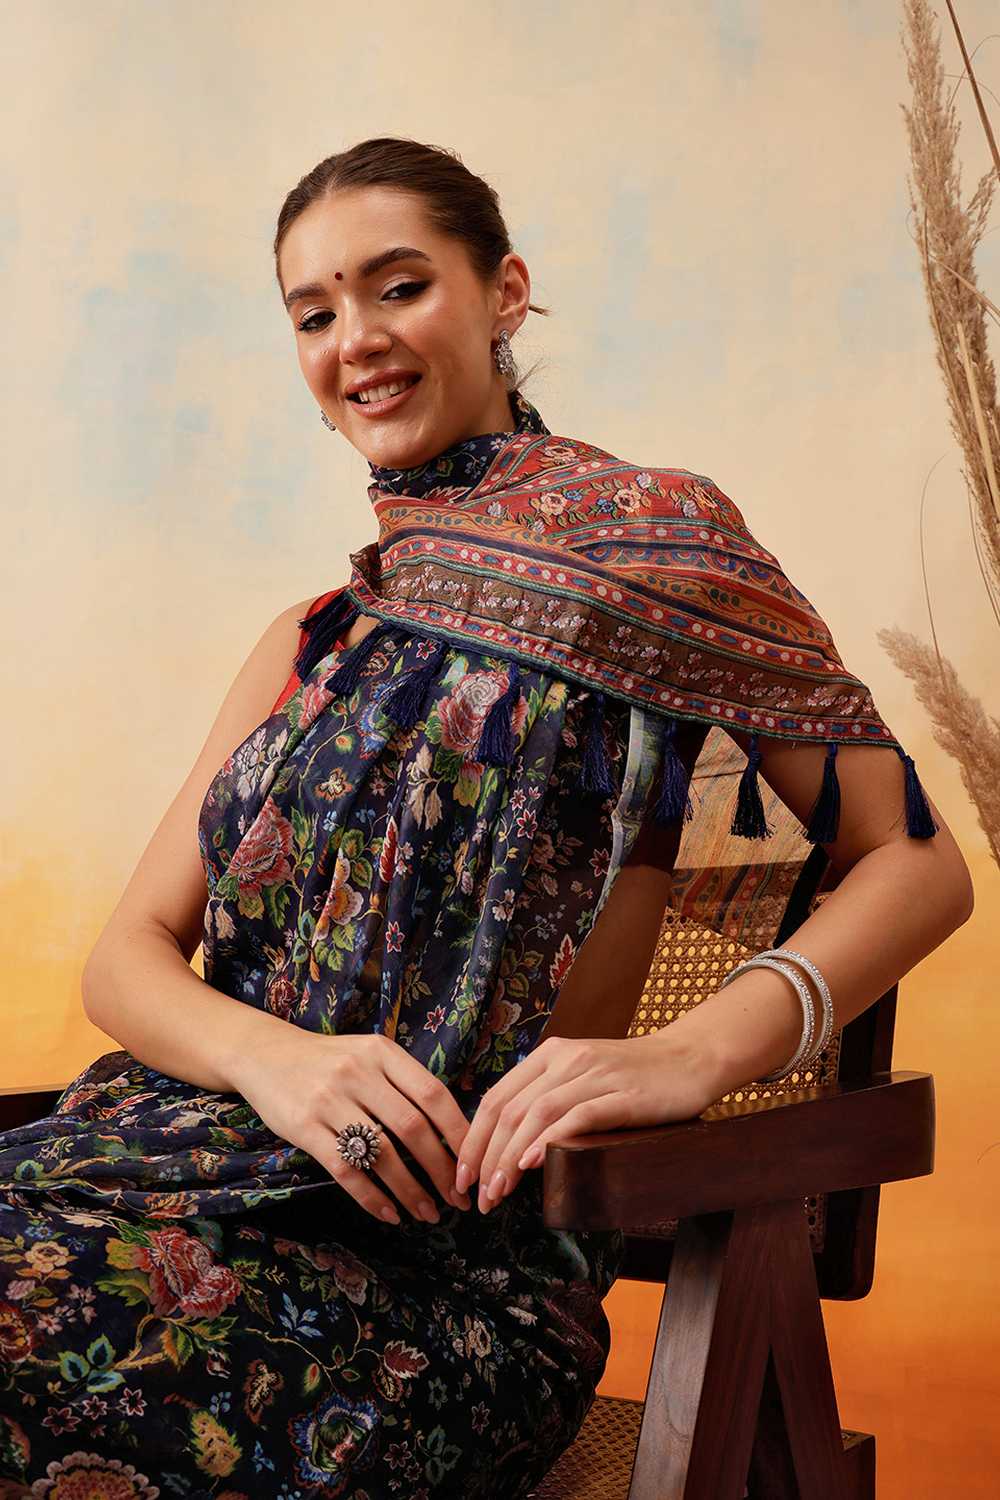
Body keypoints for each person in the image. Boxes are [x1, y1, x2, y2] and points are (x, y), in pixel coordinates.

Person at [0, 136, 974, 1498]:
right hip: (156, 1171)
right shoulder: (312, 640)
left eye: (398, 287)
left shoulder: (660, 546)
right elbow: (127, 962)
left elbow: (917, 862)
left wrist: (692, 1055)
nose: (356, 339)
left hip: (437, 1278)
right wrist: (284, 1066)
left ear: (505, 292)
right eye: (314, 313)